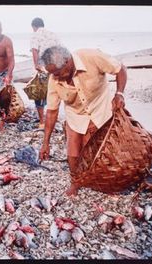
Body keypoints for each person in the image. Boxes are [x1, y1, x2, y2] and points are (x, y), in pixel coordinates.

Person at [39, 46, 127, 196]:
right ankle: (76, 181)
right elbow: (52, 112)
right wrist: (46, 143)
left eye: (57, 73)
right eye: (52, 74)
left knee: (103, 151)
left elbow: (120, 69)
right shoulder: (54, 79)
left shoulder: (91, 56)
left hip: (101, 109)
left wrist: (119, 94)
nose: (55, 77)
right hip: (76, 115)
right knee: (73, 153)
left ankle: (105, 179)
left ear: (67, 62)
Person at [30, 17, 62, 130]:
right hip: (56, 66)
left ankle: (42, 122)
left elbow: (34, 50)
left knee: (39, 94)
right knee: (54, 92)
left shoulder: (35, 34)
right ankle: (54, 119)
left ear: (34, 26)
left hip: (44, 66)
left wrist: (36, 65)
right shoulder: (53, 34)